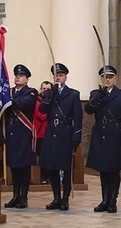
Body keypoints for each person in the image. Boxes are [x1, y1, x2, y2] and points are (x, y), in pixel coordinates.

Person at [85, 65, 121, 213]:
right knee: (103, 170)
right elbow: (88, 110)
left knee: (113, 170)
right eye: (105, 77)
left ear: (114, 78)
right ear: (101, 78)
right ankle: (104, 199)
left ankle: (113, 200)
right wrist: (99, 95)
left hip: (115, 134)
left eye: (110, 77)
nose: (107, 79)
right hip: (100, 134)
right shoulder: (96, 94)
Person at [39, 63, 83, 211]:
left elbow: (78, 117)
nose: (58, 77)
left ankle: (65, 198)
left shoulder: (73, 94)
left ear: (65, 77)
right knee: (52, 168)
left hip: (66, 132)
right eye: (56, 75)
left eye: (61, 75)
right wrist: (48, 97)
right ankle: (56, 197)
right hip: (52, 132)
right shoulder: (49, 94)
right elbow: (42, 111)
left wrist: (77, 136)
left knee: (66, 167)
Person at [4, 64, 38, 209]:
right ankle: (15, 195)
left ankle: (24, 197)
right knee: (14, 166)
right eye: (16, 75)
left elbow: (23, 105)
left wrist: (7, 100)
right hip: (11, 132)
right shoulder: (9, 91)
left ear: (27, 79)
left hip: (24, 133)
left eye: (21, 75)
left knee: (24, 166)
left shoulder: (31, 92)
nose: (18, 77)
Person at [34, 81, 52, 184]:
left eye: (48, 89)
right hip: (40, 133)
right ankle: (42, 177)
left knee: (49, 156)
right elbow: (41, 115)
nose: (45, 91)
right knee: (41, 156)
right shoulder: (37, 101)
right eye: (44, 89)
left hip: (49, 133)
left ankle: (49, 177)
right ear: (40, 90)